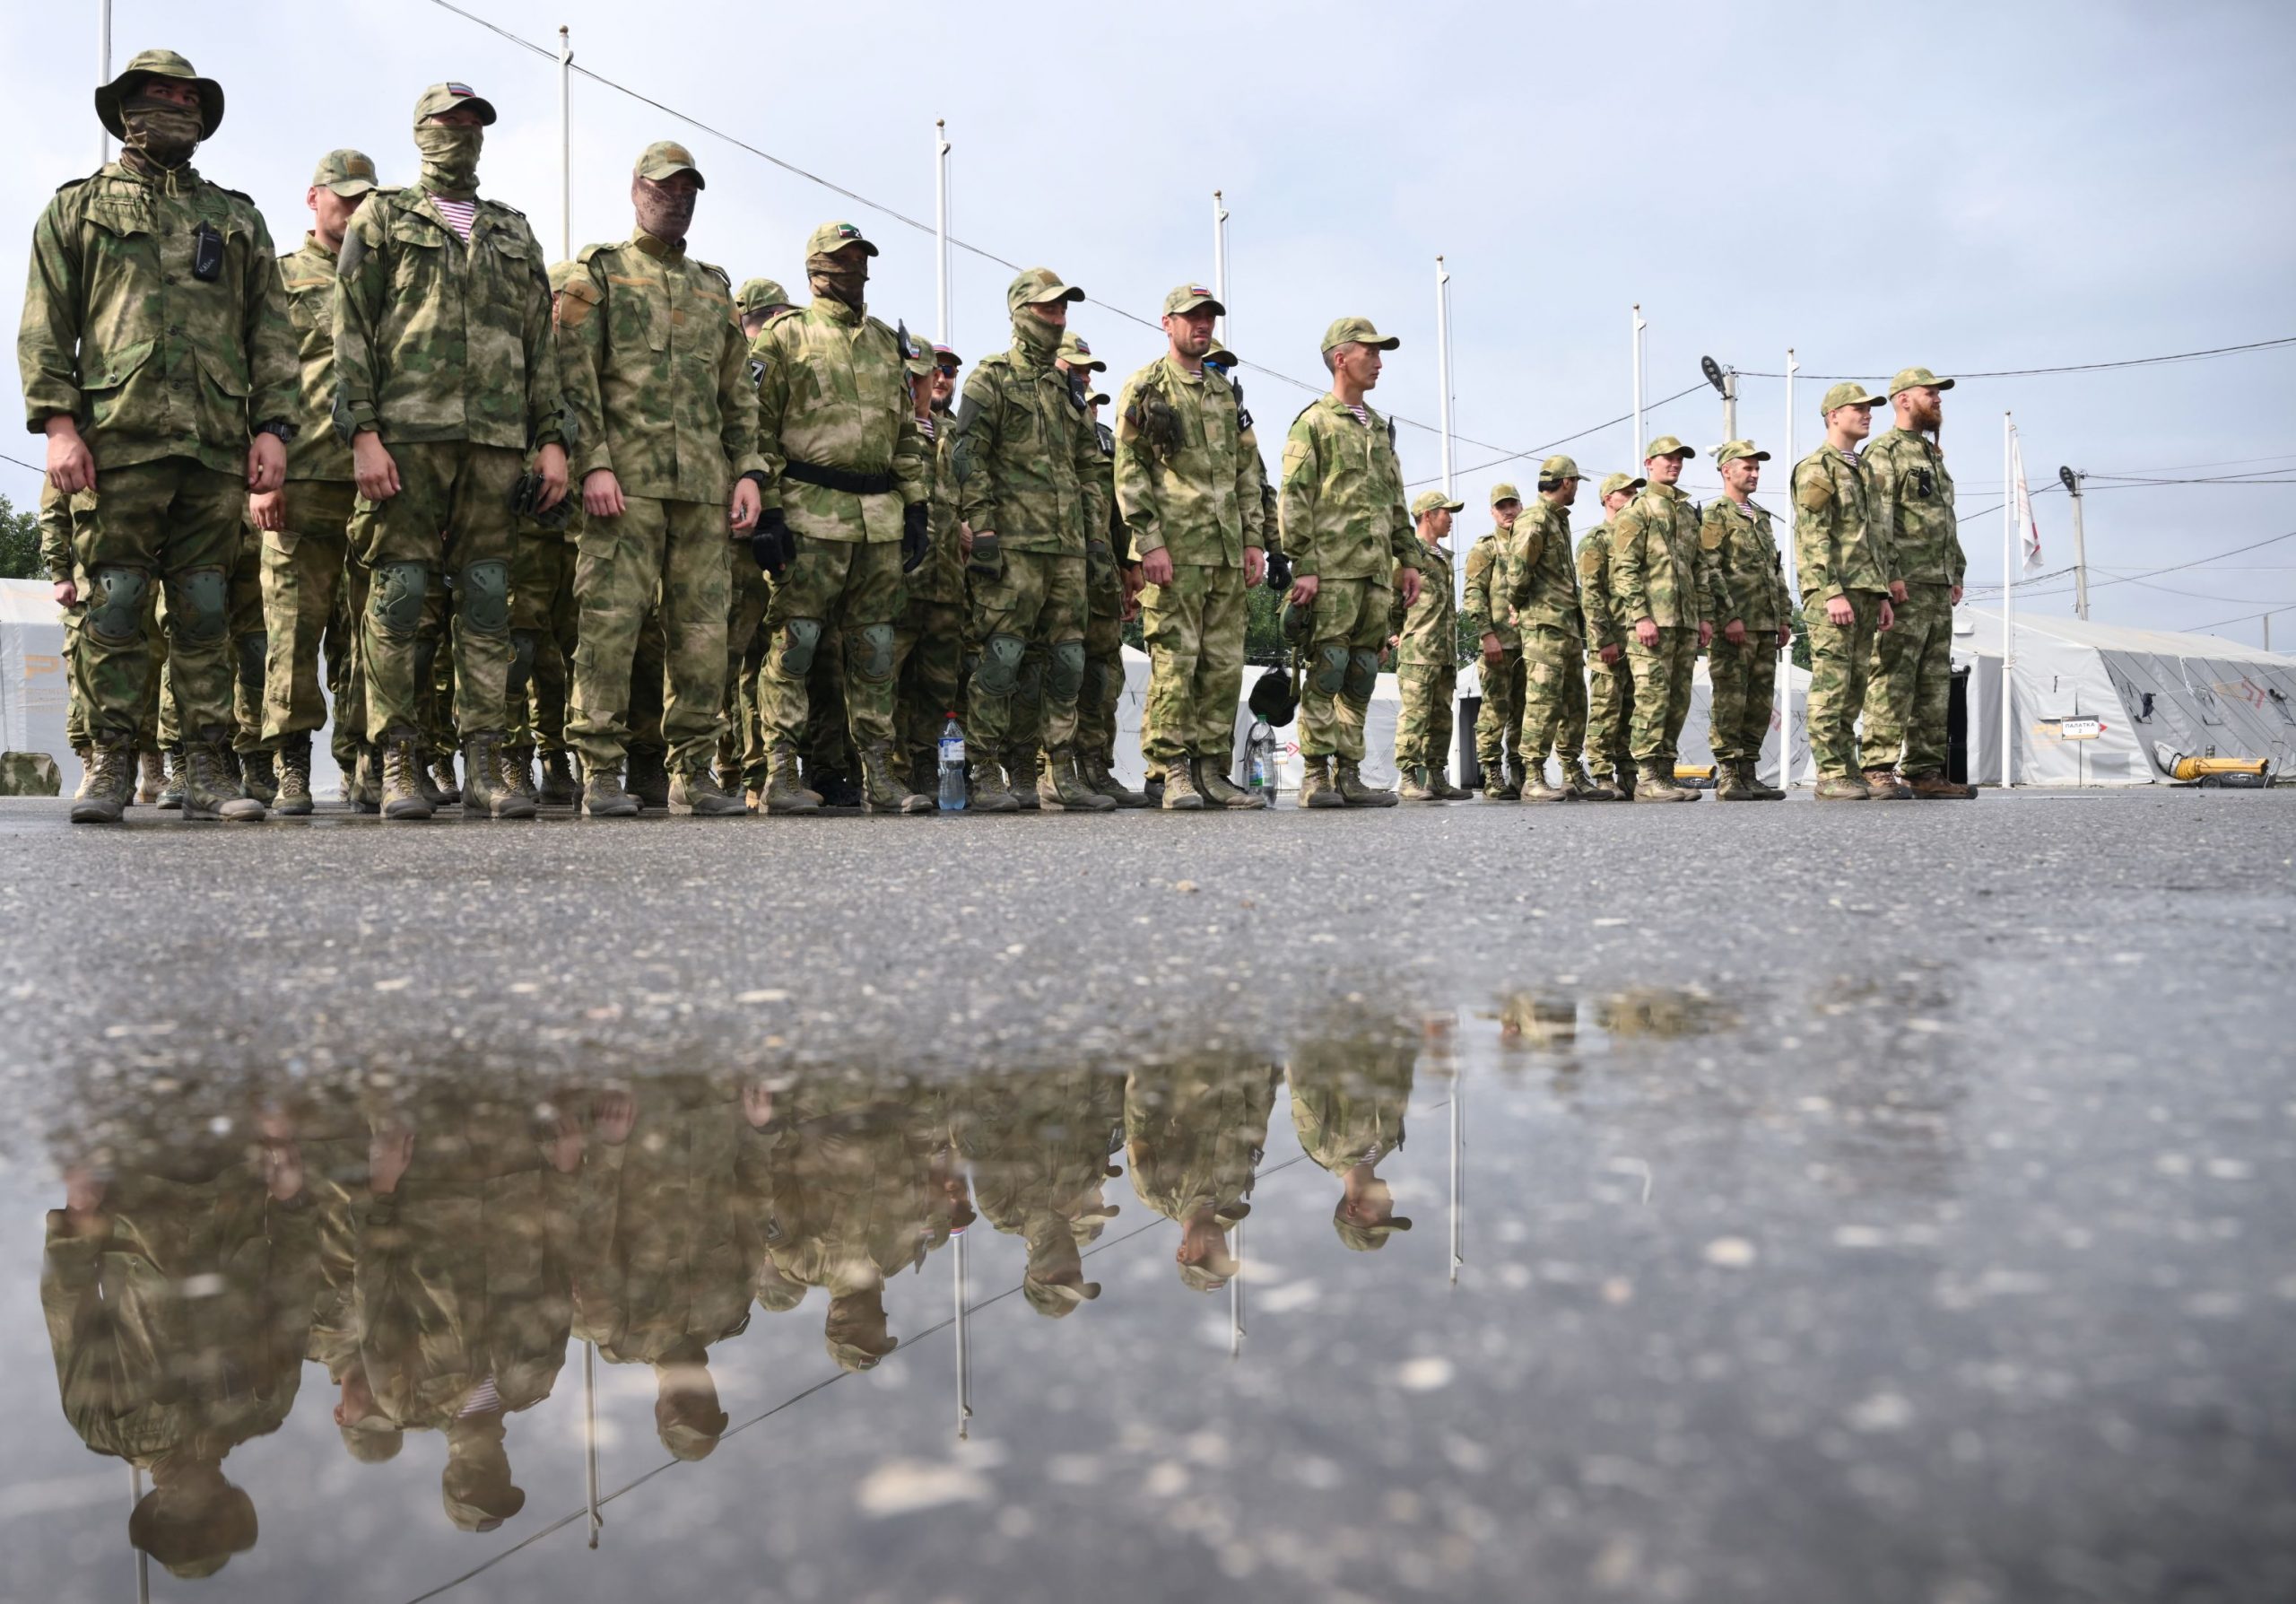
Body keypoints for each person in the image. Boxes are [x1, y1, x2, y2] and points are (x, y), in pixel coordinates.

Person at [24, 49, 300, 824]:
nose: (175, 107)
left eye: (188, 97)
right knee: (114, 605)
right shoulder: (77, 209)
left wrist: (274, 430)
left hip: (215, 443)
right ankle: (110, 764)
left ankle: (207, 768)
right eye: (158, 95)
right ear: (125, 111)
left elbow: (271, 333)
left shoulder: (236, 216)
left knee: (206, 609)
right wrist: (58, 428)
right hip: (118, 439)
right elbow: (47, 324)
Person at [334, 82, 570, 820]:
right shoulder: (381, 217)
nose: (462, 133)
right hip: (408, 436)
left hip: (497, 443)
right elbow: (351, 331)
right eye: (449, 121)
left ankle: (486, 761)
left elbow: (541, 345)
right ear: (420, 132)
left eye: (474, 123)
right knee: (400, 596)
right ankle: (399, 756)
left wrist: (552, 442)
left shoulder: (512, 229)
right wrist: (363, 435)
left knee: (489, 602)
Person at [557, 142, 761, 816]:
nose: (678, 198)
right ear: (636, 188)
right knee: (609, 628)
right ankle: (602, 772)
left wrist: (748, 473)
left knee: (703, 634)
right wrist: (595, 462)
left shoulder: (713, 287)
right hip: (626, 485)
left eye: (689, 189)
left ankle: (695, 772)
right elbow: (575, 380)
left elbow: (738, 394)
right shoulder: (603, 273)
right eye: (666, 187)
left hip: (703, 487)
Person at [746, 221, 930, 814]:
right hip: (808, 513)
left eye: (859, 259)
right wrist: (769, 509)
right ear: (815, 269)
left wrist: (917, 504)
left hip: (878, 518)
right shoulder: (783, 339)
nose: (851, 270)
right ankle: (778, 773)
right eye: (840, 260)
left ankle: (879, 775)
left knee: (876, 649)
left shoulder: (883, 342)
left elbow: (905, 431)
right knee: (794, 645)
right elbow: (758, 429)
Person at [951, 268, 1112, 811]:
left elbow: (1089, 468)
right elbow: (967, 455)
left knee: (1066, 662)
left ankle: (1049, 769)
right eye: (1048, 307)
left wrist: (1094, 542)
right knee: (1003, 658)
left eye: (1063, 307)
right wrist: (984, 527)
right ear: (1020, 312)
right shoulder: (989, 378)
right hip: (1014, 546)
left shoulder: (1068, 391)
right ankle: (984, 769)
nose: (1058, 315)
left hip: (1066, 549)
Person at [254, 149, 380, 815]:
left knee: (369, 634)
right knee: (293, 632)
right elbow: (262, 376)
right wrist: (262, 480)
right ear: (314, 198)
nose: (355, 209)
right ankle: (291, 765)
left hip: (372, 484)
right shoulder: (278, 278)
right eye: (345, 196)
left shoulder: (384, 280)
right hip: (299, 481)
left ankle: (364, 762)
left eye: (367, 199)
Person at [1111, 285, 1266, 810]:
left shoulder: (1225, 394)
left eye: (1208, 317)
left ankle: (1211, 769)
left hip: (1225, 554)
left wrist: (1254, 541)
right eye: (1192, 317)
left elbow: (1249, 471)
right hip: (1174, 553)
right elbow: (1129, 468)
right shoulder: (1147, 385)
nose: (1202, 325)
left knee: (1222, 666)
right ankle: (1171, 768)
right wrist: (1147, 541)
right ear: (1167, 322)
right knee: (1176, 662)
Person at [1279, 317, 1422, 809]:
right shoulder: (1314, 422)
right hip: (1333, 571)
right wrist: (1306, 564)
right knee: (1328, 668)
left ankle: (1350, 773)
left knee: (1362, 671)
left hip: (1377, 574)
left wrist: (1409, 559)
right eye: (1371, 353)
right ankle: (1316, 774)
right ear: (1341, 358)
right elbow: (1294, 498)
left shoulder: (1380, 429)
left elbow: (1394, 500)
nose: (1379, 363)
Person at [1863, 367, 1976, 798]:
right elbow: (1879, 519)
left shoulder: (1932, 455)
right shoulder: (1884, 452)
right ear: (1903, 399)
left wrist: (1955, 571)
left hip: (1936, 583)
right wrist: (1889, 574)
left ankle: (1924, 770)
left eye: (1938, 394)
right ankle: (1876, 767)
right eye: (1931, 393)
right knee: (1892, 675)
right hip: (1904, 582)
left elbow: (1944, 521)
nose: (1939, 400)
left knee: (1933, 682)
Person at [1791, 383, 1900, 800]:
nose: (1868, 414)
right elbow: (1812, 535)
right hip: (1833, 591)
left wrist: (1883, 593)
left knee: (1855, 685)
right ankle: (1831, 772)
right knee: (1832, 683)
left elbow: (1874, 537)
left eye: (1870, 409)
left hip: (1866, 590)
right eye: (1858, 408)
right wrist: (1830, 590)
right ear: (1833, 415)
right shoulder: (1817, 467)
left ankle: (1848, 769)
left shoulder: (1865, 469)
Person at [1057, 332, 1147, 806]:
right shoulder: (1042, 425)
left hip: (1102, 573)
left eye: (1088, 371)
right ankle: (1052, 769)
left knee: (1103, 676)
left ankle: (1096, 766)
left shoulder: (1106, 441)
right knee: (1060, 670)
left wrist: (1130, 567)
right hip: (1056, 567)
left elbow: (1119, 511)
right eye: (1077, 368)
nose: (1085, 377)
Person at [1609, 436, 1722, 803]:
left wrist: (1705, 616)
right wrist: (1640, 615)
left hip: (1685, 622)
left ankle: (1666, 772)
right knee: (1651, 698)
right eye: (1667, 459)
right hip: (1652, 623)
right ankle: (1646, 777)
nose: (1674, 464)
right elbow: (1624, 569)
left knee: (1677, 700)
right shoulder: (1637, 511)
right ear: (1649, 463)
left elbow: (1699, 567)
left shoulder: (1687, 512)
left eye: (1679, 459)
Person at [891, 330, 967, 807]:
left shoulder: (955, 434)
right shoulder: (891, 427)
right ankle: (887, 770)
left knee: (940, 683)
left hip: (947, 582)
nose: (940, 378)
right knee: (888, 680)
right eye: (931, 370)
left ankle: (925, 768)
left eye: (948, 370)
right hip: (901, 576)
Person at [1701, 440, 1793, 800]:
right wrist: (1728, 616)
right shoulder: (1715, 516)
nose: (1755, 474)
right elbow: (1710, 570)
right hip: (1734, 627)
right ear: (1727, 471)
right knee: (1730, 699)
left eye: (1757, 469)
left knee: (1758, 701)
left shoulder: (1762, 518)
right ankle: (1728, 773)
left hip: (1765, 625)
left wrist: (1783, 617)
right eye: (1747, 468)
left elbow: (1775, 571)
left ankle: (1749, 771)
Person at [1503, 454, 1594, 801]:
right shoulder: (1536, 518)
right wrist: (1520, 603)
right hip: (1543, 624)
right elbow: (1518, 571)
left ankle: (1572, 773)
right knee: (1542, 701)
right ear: (1567, 482)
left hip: (1565, 624)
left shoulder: (1557, 519)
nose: (1575, 491)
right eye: (1575, 485)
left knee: (1574, 701)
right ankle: (1533, 775)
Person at [1391, 490, 1465, 800]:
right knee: (1414, 715)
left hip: (1445, 651)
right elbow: (1391, 599)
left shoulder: (1444, 558)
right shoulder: (1410, 555)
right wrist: (1390, 633)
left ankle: (1436, 776)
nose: (1450, 518)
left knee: (1441, 716)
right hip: (1418, 651)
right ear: (1427, 516)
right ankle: (1409, 777)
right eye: (1445, 512)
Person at [1576, 472, 1642, 798]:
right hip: (1610, 639)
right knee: (1606, 707)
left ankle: (1628, 771)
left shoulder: (1636, 537)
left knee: (1632, 709)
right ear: (1607, 499)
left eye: (1634, 491)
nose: (1631, 496)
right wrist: (1602, 639)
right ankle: (1601, 772)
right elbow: (1590, 595)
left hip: (1638, 639)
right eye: (1624, 492)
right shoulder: (1596, 540)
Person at [1463, 484, 1525, 797]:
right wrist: (1487, 635)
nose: (1508, 511)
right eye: (1502, 506)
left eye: (1512, 504)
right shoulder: (1485, 548)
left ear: (1521, 506)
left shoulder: (1530, 544)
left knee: (1524, 712)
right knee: (1494, 711)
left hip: (1529, 644)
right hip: (1498, 643)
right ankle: (1492, 774)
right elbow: (1473, 594)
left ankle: (1520, 772)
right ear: (1492, 512)